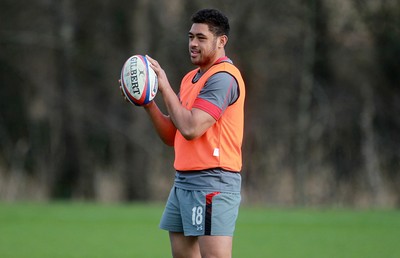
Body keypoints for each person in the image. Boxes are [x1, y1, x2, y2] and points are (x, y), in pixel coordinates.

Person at [121, 8, 245, 258]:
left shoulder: (223, 78)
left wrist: (163, 84)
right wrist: (148, 102)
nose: (193, 44)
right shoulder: (191, 78)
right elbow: (172, 134)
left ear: (221, 42)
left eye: (201, 38)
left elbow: (190, 128)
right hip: (184, 181)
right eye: (191, 37)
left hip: (213, 181)